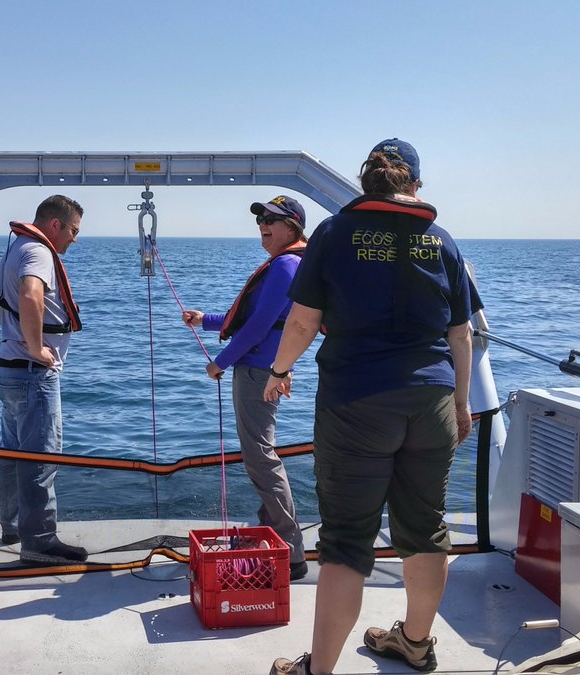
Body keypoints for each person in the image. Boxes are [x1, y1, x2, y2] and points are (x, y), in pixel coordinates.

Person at [266, 140, 479, 675]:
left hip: (356, 402)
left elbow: (302, 322)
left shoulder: (335, 235)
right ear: (416, 186)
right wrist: (460, 401)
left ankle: (319, 671)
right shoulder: (442, 242)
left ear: (368, 183)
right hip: (431, 400)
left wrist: (278, 370)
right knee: (426, 529)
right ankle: (415, 642)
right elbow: (461, 334)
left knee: (345, 542)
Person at [182, 196, 310, 581]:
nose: (263, 225)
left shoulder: (286, 265)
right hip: (261, 371)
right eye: (260, 220)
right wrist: (206, 320)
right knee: (259, 456)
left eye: (272, 219)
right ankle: (270, 537)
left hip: (258, 374)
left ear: (293, 228)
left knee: (260, 458)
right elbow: (254, 319)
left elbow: (256, 329)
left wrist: (218, 363)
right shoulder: (287, 264)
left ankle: (290, 551)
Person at [0, 194, 89, 565]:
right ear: (55, 225)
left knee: (12, 452)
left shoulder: (16, 247)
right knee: (40, 458)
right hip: (32, 374)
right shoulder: (39, 252)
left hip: (8, 368)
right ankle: (40, 543)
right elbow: (31, 295)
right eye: (74, 231)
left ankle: (13, 525)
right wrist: (36, 348)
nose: (74, 239)